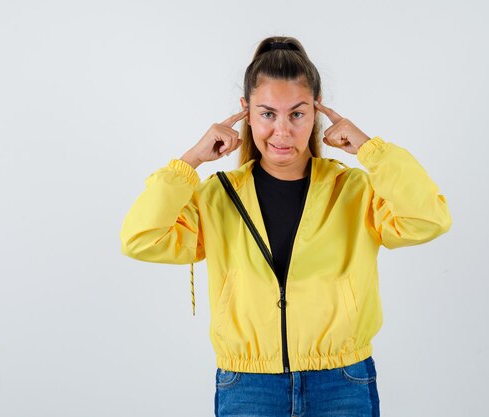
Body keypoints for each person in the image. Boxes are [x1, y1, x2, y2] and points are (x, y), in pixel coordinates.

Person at [120, 36, 452, 417]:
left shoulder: (354, 190)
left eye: (296, 114)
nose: (281, 131)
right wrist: (190, 161)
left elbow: (429, 219)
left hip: (341, 380)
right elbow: (140, 240)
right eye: (267, 114)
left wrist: (368, 149)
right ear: (245, 112)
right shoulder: (217, 197)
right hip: (249, 384)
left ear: (317, 111)